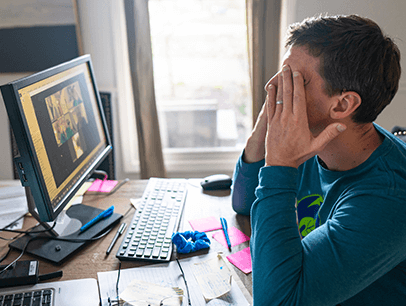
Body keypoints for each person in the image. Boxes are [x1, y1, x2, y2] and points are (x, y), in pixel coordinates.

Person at [231, 14, 405, 305]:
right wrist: (264, 126)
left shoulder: (388, 198)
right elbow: (243, 203)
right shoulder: (315, 139)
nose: (274, 86)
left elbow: (276, 302)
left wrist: (280, 167)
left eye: (293, 79)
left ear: (342, 104)